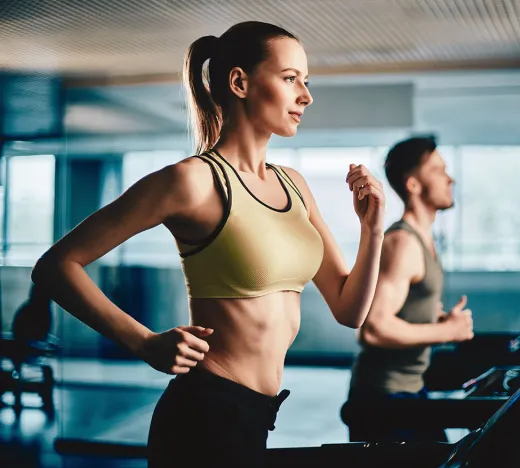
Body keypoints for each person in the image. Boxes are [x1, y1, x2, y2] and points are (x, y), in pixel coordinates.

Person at [31, 21, 385, 467]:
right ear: (240, 82)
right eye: (290, 78)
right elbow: (56, 265)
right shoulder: (191, 182)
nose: (306, 97)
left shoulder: (294, 185)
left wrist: (372, 230)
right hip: (203, 414)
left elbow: (350, 310)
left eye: (306, 82)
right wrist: (143, 343)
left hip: (256, 416)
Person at [345, 136, 473, 443]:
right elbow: (373, 328)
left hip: (409, 390)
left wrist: (436, 322)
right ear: (413, 185)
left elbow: (400, 311)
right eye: (438, 170)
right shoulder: (403, 243)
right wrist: (448, 332)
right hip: (383, 398)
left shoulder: (422, 239)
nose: (449, 178)